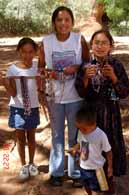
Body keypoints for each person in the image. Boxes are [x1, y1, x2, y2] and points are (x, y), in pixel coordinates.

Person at [38, 6, 89, 186]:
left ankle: (76, 173)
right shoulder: (46, 42)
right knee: (57, 135)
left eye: (67, 19)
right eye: (59, 20)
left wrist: (75, 68)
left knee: (76, 136)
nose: (63, 23)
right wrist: (44, 83)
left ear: (72, 22)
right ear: (54, 23)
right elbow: (40, 69)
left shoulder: (79, 40)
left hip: (75, 96)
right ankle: (57, 172)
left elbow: (87, 63)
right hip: (54, 97)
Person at [75, 29, 129, 187]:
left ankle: (107, 180)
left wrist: (113, 77)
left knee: (108, 147)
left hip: (110, 114)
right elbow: (81, 92)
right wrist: (86, 77)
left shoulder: (116, 65)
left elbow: (125, 92)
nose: (100, 46)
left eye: (104, 43)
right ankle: (88, 180)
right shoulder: (85, 66)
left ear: (111, 46)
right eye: (96, 43)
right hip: (90, 115)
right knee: (87, 146)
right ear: (91, 45)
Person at [0, 38, 40, 180]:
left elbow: (41, 86)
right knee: (21, 138)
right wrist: (5, 82)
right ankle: (23, 165)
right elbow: (13, 93)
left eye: (30, 52)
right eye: (24, 52)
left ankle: (31, 163)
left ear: (35, 53)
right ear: (19, 52)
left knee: (32, 137)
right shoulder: (12, 69)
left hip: (33, 108)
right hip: (18, 109)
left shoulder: (37, 68)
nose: (27, 55)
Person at [67, 106, 113, 195]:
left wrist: (110, 166)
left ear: (94, 124)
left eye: (84, 129)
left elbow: (108, 151)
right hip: (83, 167)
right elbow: (80, 143)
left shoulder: (101, 135)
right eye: (79, 128)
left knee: (97, 190)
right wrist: (74, 149)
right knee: (86, 186)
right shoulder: (81, 132)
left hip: (97, 169)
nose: (81, 131)